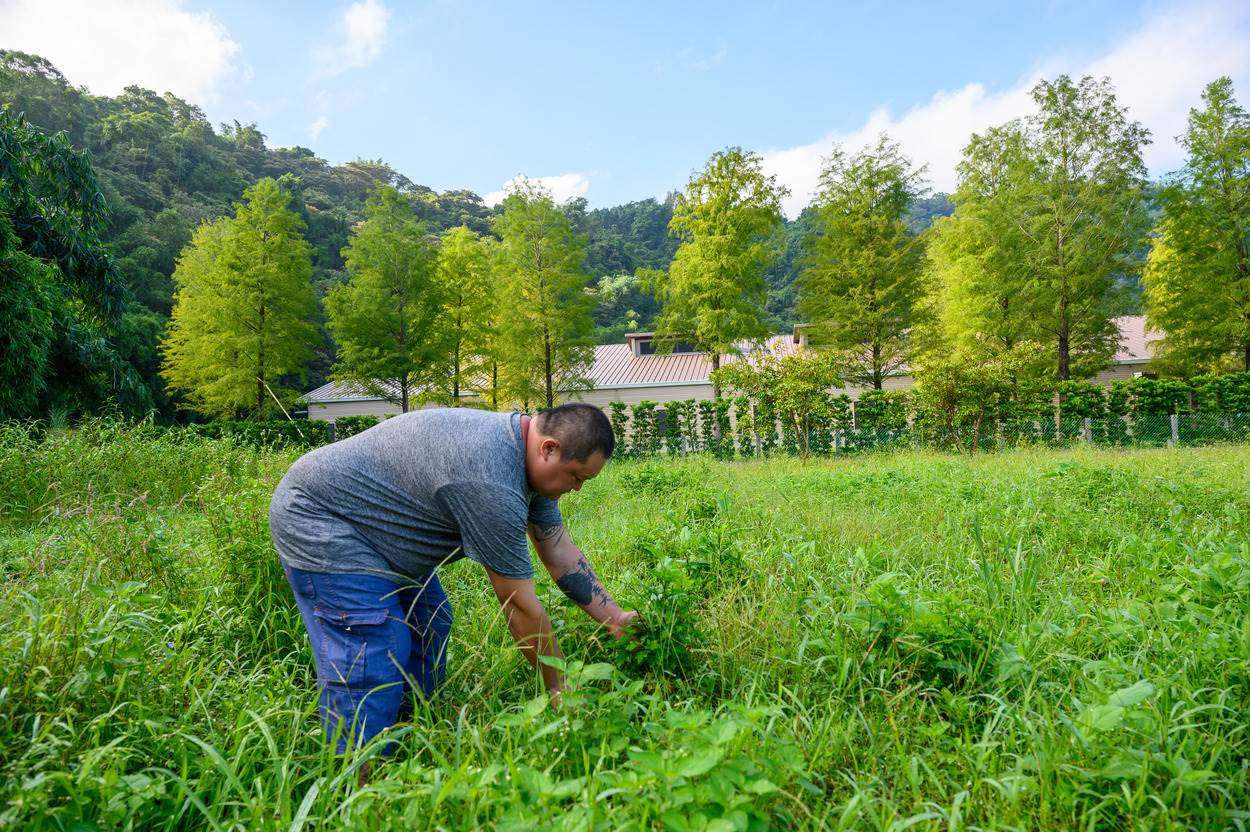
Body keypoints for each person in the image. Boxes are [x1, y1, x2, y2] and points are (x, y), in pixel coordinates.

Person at [268, 403, 637, 755]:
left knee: (429, 622)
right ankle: (357, 776)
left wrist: (616, 619)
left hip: (380, 528)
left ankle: (409, 734)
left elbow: (558, 551)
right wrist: (559, 685)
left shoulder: (527, 460)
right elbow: (519, 605)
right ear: (549, 448)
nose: (577, 488)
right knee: (375, 643)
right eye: (576, 476)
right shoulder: (491, 481)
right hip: (321, 516)